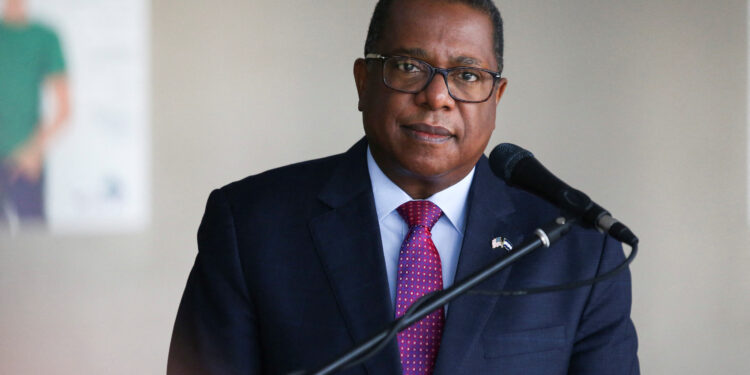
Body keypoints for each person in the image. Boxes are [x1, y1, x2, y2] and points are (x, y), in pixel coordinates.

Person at [168, 0, 639, 374]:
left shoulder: (578, 248)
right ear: (363, 80)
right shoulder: (251, 225)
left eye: (468, 75)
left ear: (496, 98)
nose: (437, 96)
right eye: (409, 67)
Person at [0, 0, 70, 224]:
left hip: (26, 163)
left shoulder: (44, 37)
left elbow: (64, 108)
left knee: (33, 245)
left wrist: (34, 150)